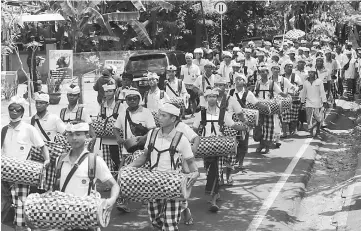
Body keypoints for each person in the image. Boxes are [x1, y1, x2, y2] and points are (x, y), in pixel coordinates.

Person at [128, 103, 199, 231]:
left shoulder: (181, 139)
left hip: (173, 184)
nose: (159, 118)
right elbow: (144, 157)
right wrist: (129, 167)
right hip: (153, 182)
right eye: (159, 115)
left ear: (173, 119)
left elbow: (191, 162)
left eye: (163, 115)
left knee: (170, 224)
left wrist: (195, 173)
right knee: (155, 221)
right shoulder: (152, 134)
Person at [54, 122, 119, 231]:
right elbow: (56, 187)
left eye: (78, 134)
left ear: (87, 136)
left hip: (86, 219)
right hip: (64, 219)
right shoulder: (60, 160)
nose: (74, 138)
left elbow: (114, 185)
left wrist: (111, 202)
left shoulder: (94, 160)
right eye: (70, 134)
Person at [193, 88, 247, 212]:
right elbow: (195, 129)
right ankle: (215, 193)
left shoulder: (223, 113)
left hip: (220, 144)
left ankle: (213, 200)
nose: (211, 98)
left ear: (217, 98)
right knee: (208, 170)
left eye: (214, 96)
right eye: (209, 96)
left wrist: (244, 126)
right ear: (206, 99)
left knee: (216, 170)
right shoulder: (201, 114)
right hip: (206, 146)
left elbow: (233, 125)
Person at [1, 96, 50, 230]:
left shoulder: (28, 129)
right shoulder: (4, 130)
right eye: (11, 109)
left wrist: (47, 160)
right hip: (4, 174)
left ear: (22, 112)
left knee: (21, 204)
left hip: (22, 174)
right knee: (4, 203)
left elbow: (42, 146)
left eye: (18, 109)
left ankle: (21, 227)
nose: (14, 112)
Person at [113, 87, 156, 212]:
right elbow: (116, 128)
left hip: (143, 150)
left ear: (139, 99)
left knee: (143, 175)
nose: (132, 101)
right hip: (128, 150)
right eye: (129, 99)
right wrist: (118, 138)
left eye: (134, 98)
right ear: (126, 100)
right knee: (123, 175)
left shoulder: (146, 112)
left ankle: (145, 198)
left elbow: (152, 129)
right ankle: (123, 201)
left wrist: (144, 137)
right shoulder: (123, 113)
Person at [228, 73, 269, 167]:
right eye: (236, 79)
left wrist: (266, 107)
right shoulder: (230, 92)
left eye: (240, 79)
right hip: (231, 119)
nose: (238, 80)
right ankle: (232, 160)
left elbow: (257, 103)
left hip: (243, 119)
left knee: (243, 141)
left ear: (244, 82)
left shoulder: (248, 93)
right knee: (232, 140)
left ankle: (240, 163)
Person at [255, 65, 285, 153]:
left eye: (265, 71)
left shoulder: (272, 83)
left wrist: (286, 96)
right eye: (261, 72)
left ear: (268, 73)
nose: (263, 73)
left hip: (270, 108)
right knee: (259, 127)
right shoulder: (257, 83)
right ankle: (261, 144)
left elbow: (280, 93)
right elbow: (254, 95)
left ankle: (267, 146)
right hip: (259, 107)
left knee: (269, 127)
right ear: (259, 73)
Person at [98, 82, 124, 175]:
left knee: (119, 160)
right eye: (106, 91)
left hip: (117, 139)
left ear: (114, 92)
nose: (108, 93)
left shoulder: (120, 106)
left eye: (110, 91)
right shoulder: (102, 106)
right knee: (107, 162)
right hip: (105, 139)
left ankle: (119, 179)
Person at [300, 68, 328, 137]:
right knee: (309, 119)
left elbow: (322, 92)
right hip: (308, 103)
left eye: (312, 72)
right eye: (309, 72)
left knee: (318, 118)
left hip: (318, 103)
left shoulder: (319, 81)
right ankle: (311, 133)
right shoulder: (306, 83)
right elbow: (303, 93)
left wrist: (324, 101)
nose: (310, 74)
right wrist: (302, 102)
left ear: (315, 73)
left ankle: (318, 130)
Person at [281, 60, 302, 135]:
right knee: (284, 116)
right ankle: (284, 132)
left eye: (291, 67)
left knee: (294, 116)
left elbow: (301, 86)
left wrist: (297, 90)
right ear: (284, 68)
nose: (290, 68)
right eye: (288, 67)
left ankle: (292, 129)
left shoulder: (296, 76)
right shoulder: (281, 77)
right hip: (284, 99)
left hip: (294, 98)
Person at [180, 53, 201, 117]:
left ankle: (193, 113)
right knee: (184, 100)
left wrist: (197, 85)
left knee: (193, 100)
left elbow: (198, 77)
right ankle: (183, 113)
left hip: (193, 85)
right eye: (186, 58)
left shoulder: (196, 67)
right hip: (185, 85)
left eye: (189, 58)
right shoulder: (183, 67)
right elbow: (181, 77)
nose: (188, 59)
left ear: (192, 58)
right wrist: (180, 85)